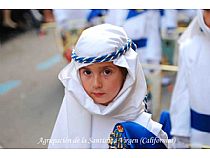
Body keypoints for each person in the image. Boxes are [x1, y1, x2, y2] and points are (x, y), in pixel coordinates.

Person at [48, 24, 168, 149]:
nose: (96, 84)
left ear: (126, 73)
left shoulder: (146, 132)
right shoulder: (68, 118)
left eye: (107, 72)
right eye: (87, 72)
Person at [170, 9, 210, 148]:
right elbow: (182, 92)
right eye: (208, 11)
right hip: (199, 132)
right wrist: (180, 132)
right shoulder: (189, 47)